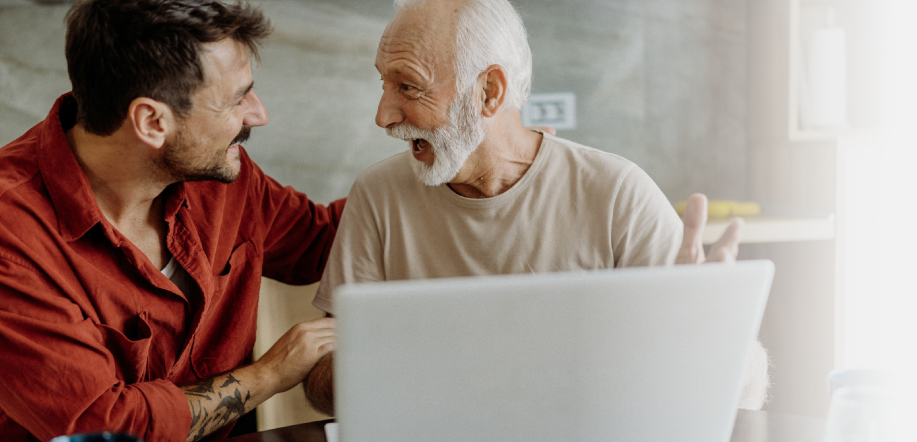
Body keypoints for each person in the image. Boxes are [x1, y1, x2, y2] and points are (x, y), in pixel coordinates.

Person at [0, 1, 341, 442]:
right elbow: (104, 430)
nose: (257, 114)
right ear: (151, 121)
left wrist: (465, 165)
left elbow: (327, 242)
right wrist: (272, 373)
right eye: (238, 98)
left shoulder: (222, 176)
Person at [302, 0, 768, 415]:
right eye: (384, 84)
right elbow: (323, 375)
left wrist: (714, 339)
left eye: (408, 88)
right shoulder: (377, 194)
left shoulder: (616, 193)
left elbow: (742, 390)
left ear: (489, 92)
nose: (383, 115)